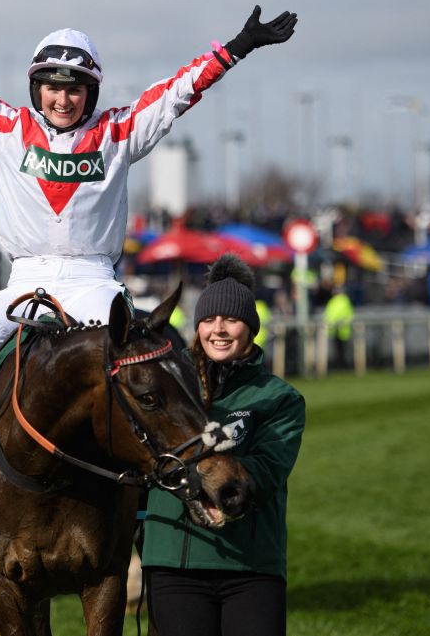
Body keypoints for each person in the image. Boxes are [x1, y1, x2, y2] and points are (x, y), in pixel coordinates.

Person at [0, 0, 297, 487]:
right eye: (52, 87)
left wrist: (238, 46)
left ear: (91, 93)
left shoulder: (121, 132)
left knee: (148, 356)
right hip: (25, 280)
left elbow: (179, 92)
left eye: (75, 89)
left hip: (94, 281)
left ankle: (150, 468)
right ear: (37, 88)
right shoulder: (4, 127)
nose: (62, 99)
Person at [140, 254, 305, 636]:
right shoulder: (167, 389)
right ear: (197, 326)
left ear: (250, 328)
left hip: (251, 568)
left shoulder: (280, 398)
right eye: (209, 320)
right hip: (173, 564)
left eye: (231, 320)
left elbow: (266, 472)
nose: (219, 329)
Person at [323, 285, 354, 369]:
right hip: (337, 329)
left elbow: (330, 314)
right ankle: (341, 365)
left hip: (340, 328)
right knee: (340, 349)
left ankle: (341, 365)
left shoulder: (340, 300)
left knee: (341, 349)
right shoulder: (340, 300)